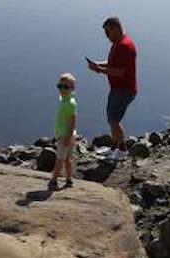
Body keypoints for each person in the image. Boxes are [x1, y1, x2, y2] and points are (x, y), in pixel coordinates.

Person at [87, 17, 138, 161]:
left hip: (125, 89)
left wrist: (99, 70)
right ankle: (114, 147)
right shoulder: (118, 43)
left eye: (107, 32)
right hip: (117, 88)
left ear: (115, 28)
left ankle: (122, 150)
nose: (106, 36)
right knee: (111, 118)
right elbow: (112, 63)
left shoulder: (125, 46)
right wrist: (98, 64)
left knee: (114, 120)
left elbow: (119, 72)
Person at [49, 73, 78, 190]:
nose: (62, 89)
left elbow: (73, 121)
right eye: (59, 86)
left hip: (65, 135)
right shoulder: (64, 99)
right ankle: (69, 179)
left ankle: (54, 180)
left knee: (60, 159)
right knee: (67, 159)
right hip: (64, 134)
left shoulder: (70, 103)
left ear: (72, 89)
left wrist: (68, 137)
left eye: (66, 87)